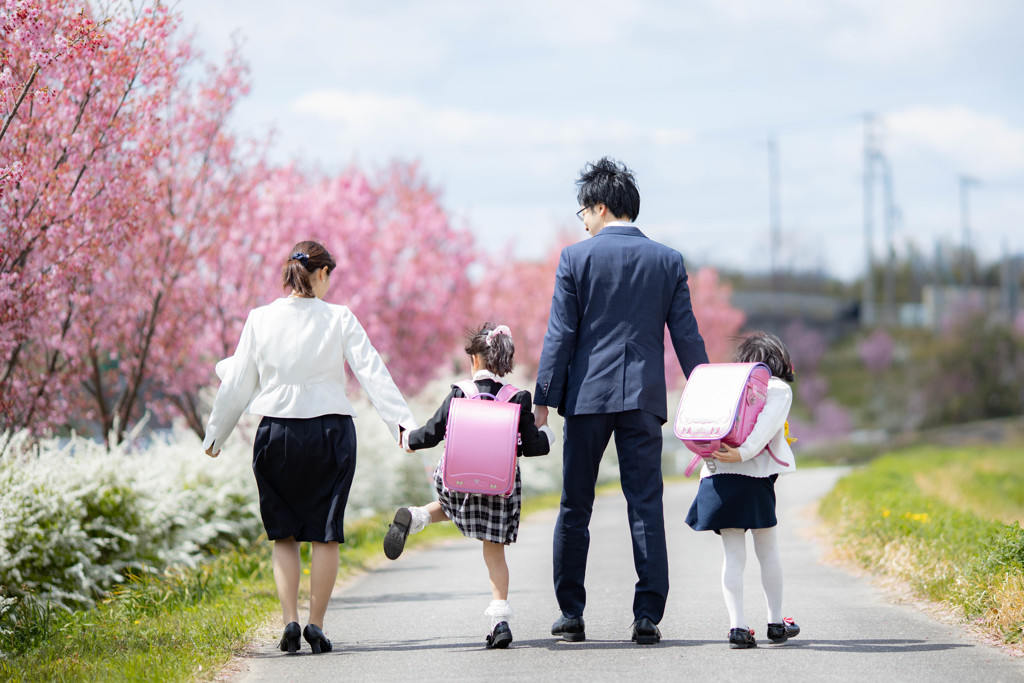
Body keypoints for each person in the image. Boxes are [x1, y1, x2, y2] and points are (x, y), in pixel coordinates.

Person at [203, 240, 417, 655]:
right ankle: (316, 624)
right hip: (330, 432)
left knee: (283, 534)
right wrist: (403, 428)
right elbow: (372, 371)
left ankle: (289, 620)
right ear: (321, 274)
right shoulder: (339, 317)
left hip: (277, 433)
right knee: (325, 534)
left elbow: (238, 382)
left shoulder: (259, 319)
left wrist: (216, 435)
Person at [534, 157, 709, 645]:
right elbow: (688, 339)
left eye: (583, 211)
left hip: (588, 398)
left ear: (601, 206)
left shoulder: (575, 259)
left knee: (575, 506)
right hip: (644, 400)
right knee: (645, 506)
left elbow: (560, 335)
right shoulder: (668, 260)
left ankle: (572, 613)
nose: (582, 221)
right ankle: (648, 614)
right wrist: (710, 399)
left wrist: (543, 398)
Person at [382, 323, 555, 649]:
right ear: (503, 360)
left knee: (450, 505)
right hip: (498, 485)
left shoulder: (460, 392)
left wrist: (408, 440)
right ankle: (499, 621)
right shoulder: (518, 397)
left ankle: (415, 516)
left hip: (457, 478)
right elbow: (530, 446)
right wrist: (547, 435)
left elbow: (432, 432)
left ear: (475, 359)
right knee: (494, 550)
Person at [684, 331, 800, 649]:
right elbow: (765, 428)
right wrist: (743, 452)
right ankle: (776, 623)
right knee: (768, 552)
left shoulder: (723, 384)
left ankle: (738, 628)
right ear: (777, 359)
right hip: (753, 479)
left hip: (716, 477)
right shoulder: (777, 388)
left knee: (733, 557)